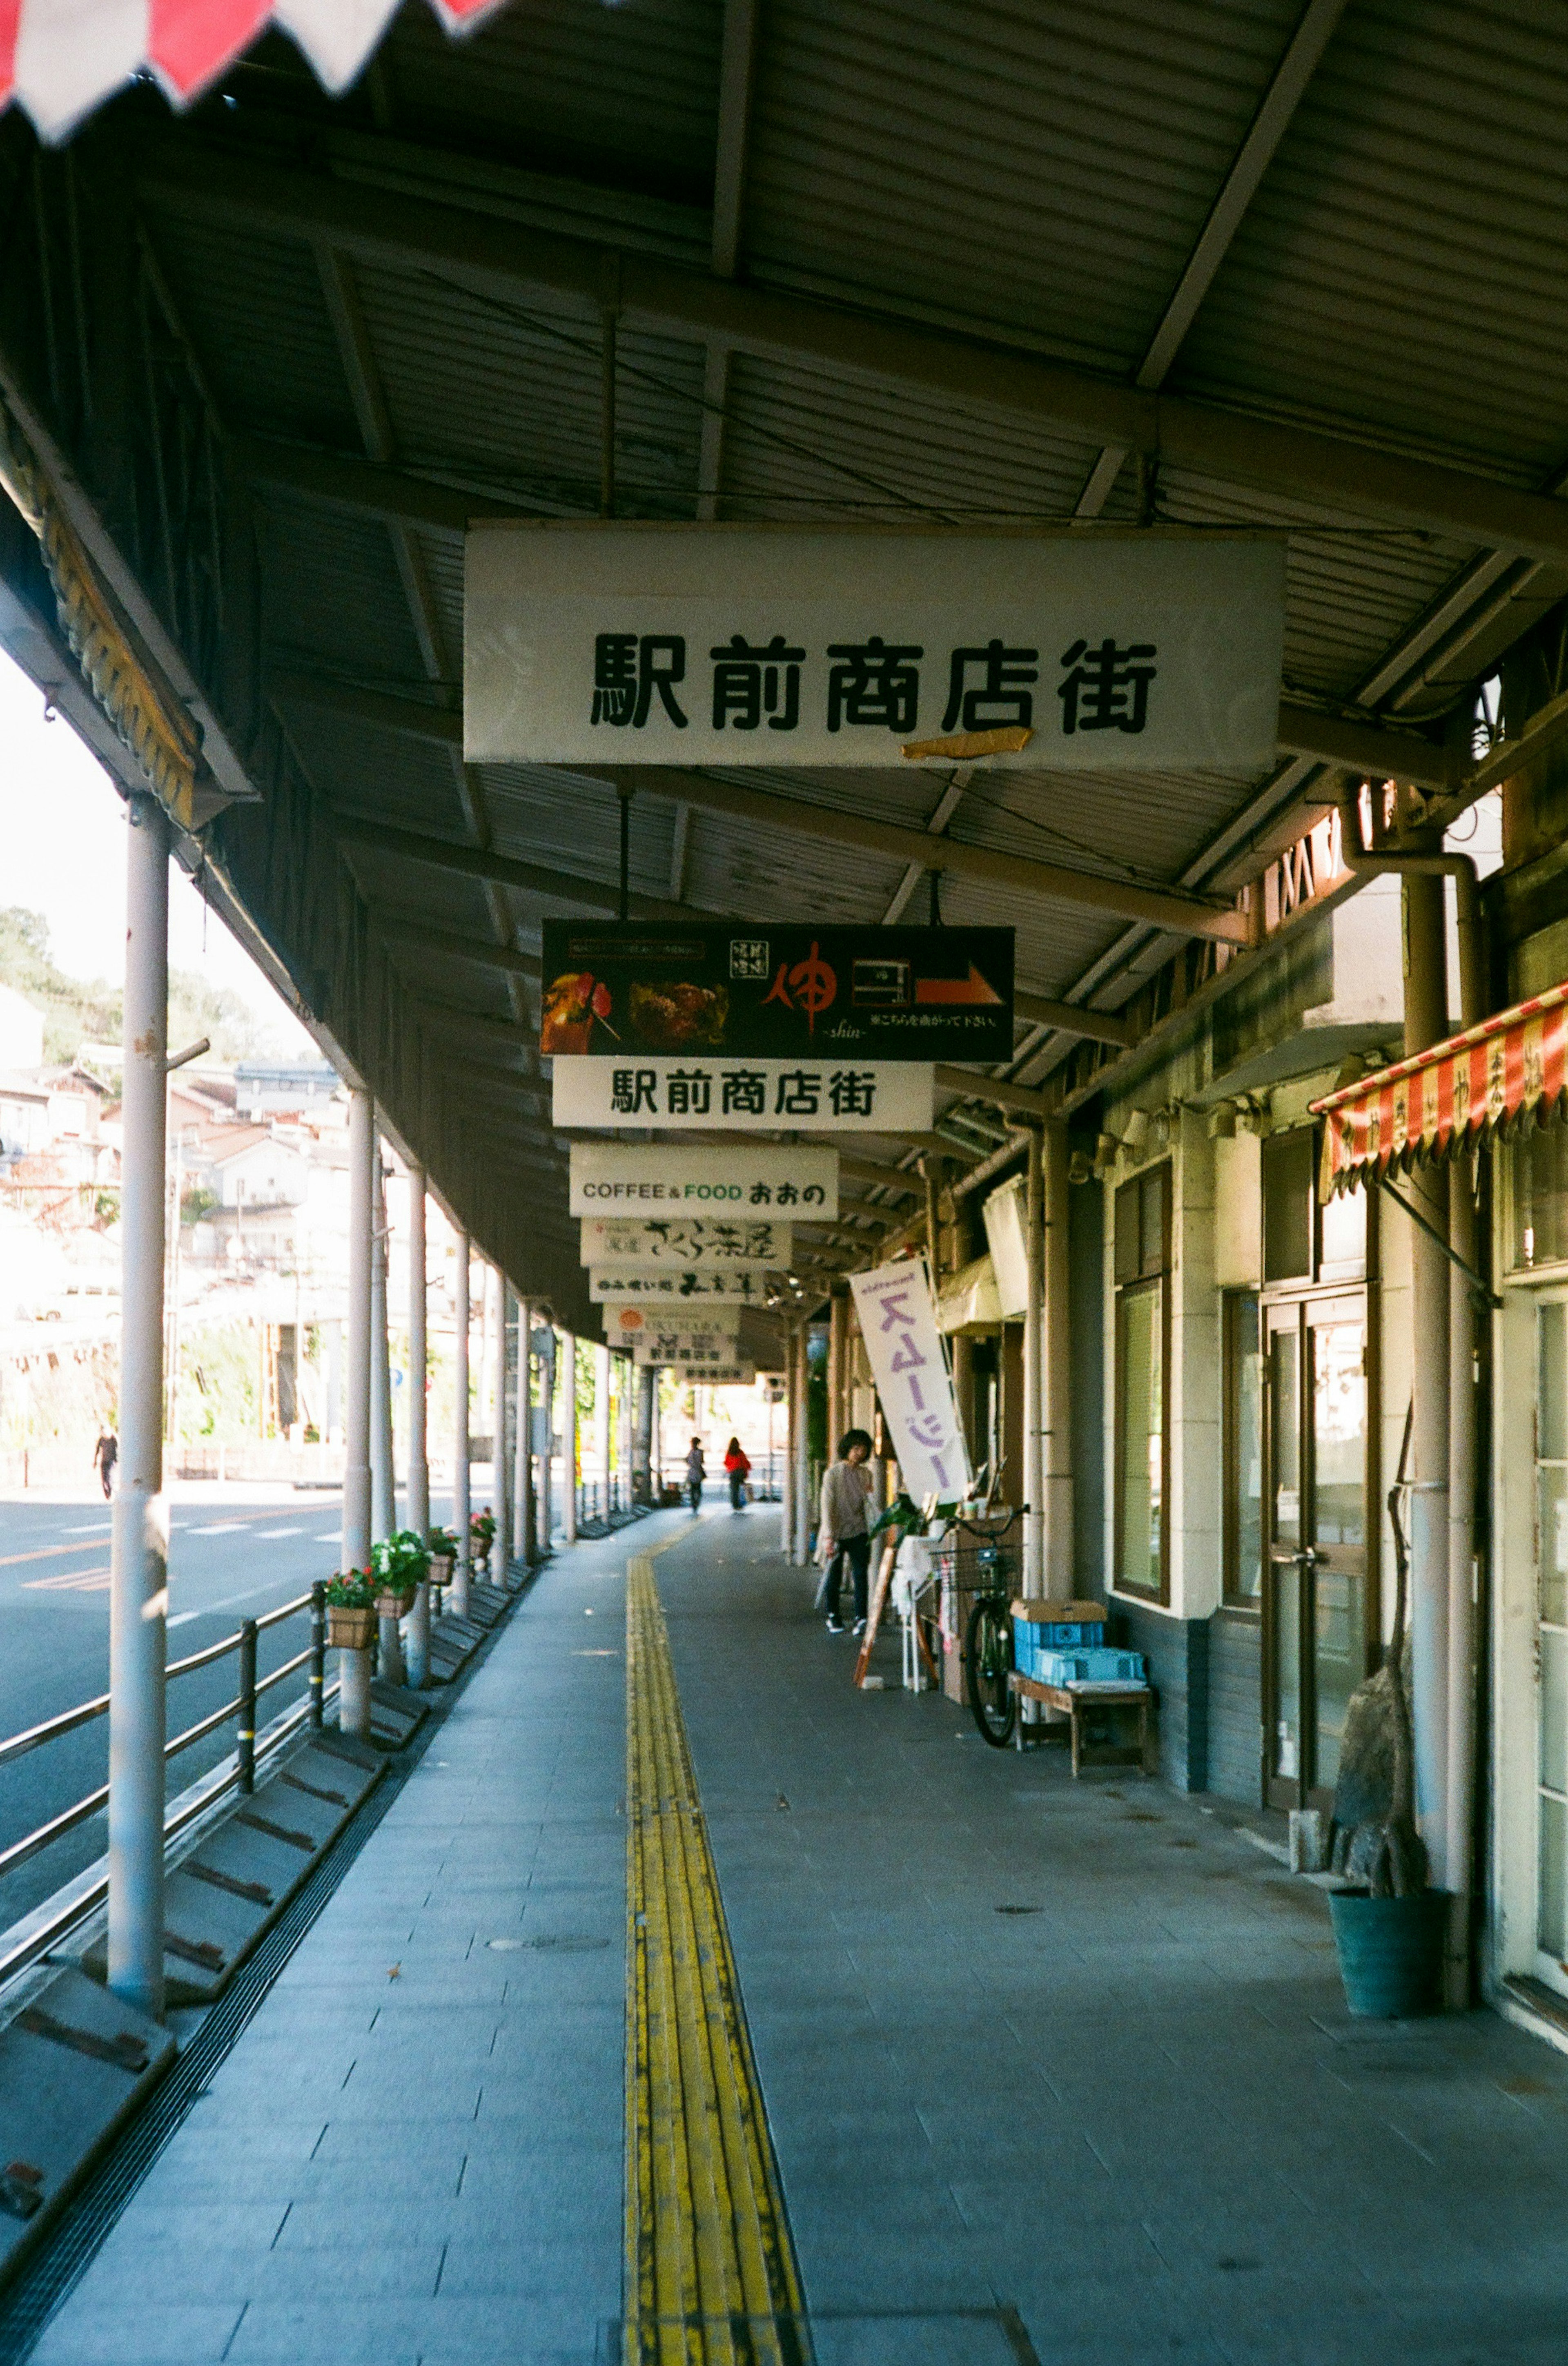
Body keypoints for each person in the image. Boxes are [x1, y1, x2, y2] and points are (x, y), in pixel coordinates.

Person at [816, 1428, 874, 1635]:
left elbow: (869, 1505)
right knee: (834, 1574)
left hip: (859, 1530)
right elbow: (827, 1506)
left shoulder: (866, 1475)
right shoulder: (832, 1474)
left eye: (864, 1449)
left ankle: (861, 1617)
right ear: (848, 1448)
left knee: (861, 1575)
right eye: (856, 1448)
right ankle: (833, 1615)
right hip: (837, 1531)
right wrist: (829, 1537)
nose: (859, 1452)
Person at [723, 1435, 751, 1512]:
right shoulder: (740, 1452)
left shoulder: (729, 1452)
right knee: (741, 1489)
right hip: (741, 1473)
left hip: (733, 1473)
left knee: (734, 1489)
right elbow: (745, 1462)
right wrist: (748, 1468)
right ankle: (741, 1503)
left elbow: (726, 1462)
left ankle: (735, 1505)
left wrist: (730, 1467)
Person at [92, 1429, 118, 1500]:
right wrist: (95, 1461)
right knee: (104, 1479)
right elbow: (97, 1450)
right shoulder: (102, 1439)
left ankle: (110, 1492)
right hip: (104, 1461)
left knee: (109, 1477)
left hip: (111, 1461)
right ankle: (106, 1493)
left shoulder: (113, 1439)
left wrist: (117, 1460)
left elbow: (117, 1448)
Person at [685, 1436, 705, 1513]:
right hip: (698, 1472)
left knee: (693, 1489)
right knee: (698, 1489)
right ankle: (696, 1502)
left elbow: (688, 1461)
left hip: (692, 1472)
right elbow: (702, 1462)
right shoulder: (701, 1452)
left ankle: (694, 1504)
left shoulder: (691, 1452)